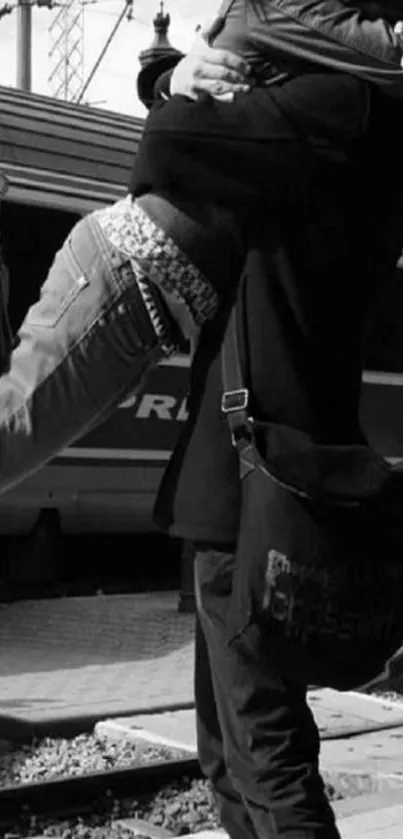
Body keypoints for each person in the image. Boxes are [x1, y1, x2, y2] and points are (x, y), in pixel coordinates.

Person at [142, 16, 403, 839]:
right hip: (254, 466)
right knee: (229, 754)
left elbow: (167, 145)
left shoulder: (335, 109)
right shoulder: (348, 115)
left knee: (267, 757)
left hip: (253, 476)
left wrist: (176, 83)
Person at [0, 0, 402, 500]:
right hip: (125, 276)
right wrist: (169, 78)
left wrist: (166, 78)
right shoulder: (287, 7)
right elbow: (392, 56)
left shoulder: (312, 45)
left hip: (139, 304)